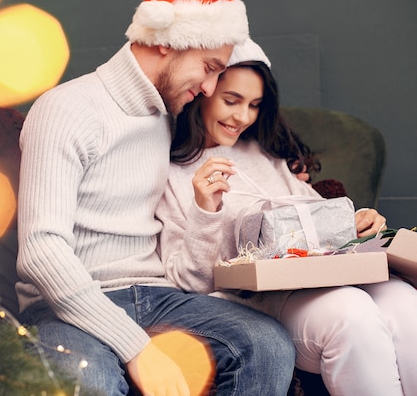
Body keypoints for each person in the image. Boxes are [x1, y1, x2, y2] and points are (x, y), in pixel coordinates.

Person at [16, 0, 297, 395]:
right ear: (166, 42)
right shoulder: (65, 109)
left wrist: (298, 176)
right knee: (89, 377)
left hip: (155, 294)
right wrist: (138, 349)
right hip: (63, 305)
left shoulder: (171, 112)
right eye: (209, 67)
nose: (208, 89)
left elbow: (238, 135)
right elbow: (41, 250)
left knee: (267, 344)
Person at [156, 37, 417, 396]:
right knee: (352, 314)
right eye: (231, 101)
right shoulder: (172, 173)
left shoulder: (269, 156)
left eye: (254, 105)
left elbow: (320, 221)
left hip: (324, 278)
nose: (242, 117)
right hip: (258, 302)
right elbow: (191, 285)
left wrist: (358, 223)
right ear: (203, 92)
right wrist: (206, 210)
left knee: (405, 301)